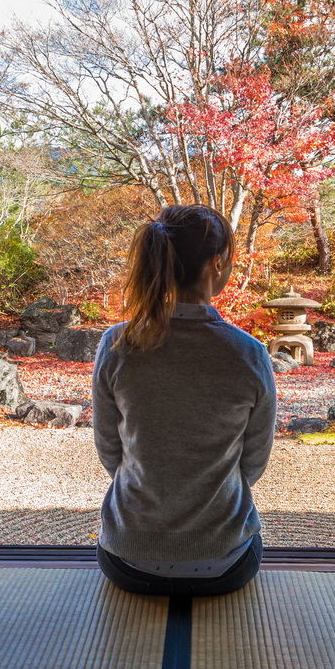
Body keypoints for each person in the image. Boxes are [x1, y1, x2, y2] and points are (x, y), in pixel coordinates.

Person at [92, 204, 277, 597]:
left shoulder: (118, 344)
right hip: (224, 564)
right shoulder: (249, 353)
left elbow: (109, 449)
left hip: (129, 561)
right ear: (216, 263)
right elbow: (254, 461)